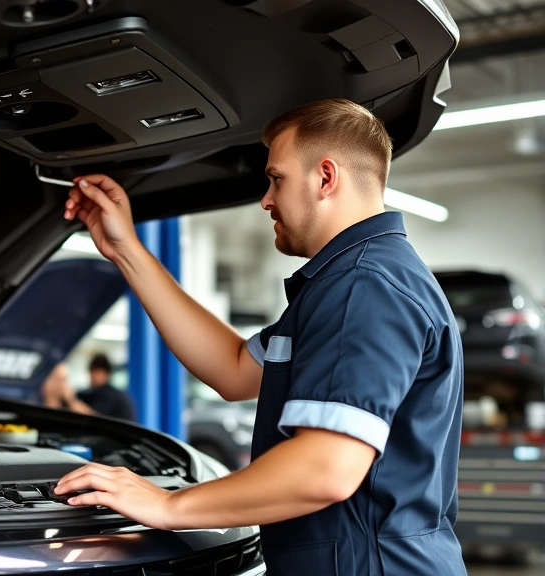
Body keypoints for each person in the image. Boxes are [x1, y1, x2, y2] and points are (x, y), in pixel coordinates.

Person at [52, 99, 466, 576]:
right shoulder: (347, 283)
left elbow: (325, 470)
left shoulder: (364, 285)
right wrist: (126, 251)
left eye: (276, 178)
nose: (266, 199)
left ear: (325, 177)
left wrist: (168, 506)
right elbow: (233, 368)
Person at [42, 355, 135, 421]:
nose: (92, 377)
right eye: (91, 372)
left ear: (106, 374)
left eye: (97, 372)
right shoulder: (94, 393)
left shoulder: (111, 395)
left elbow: (91, 417)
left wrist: (70, 398)